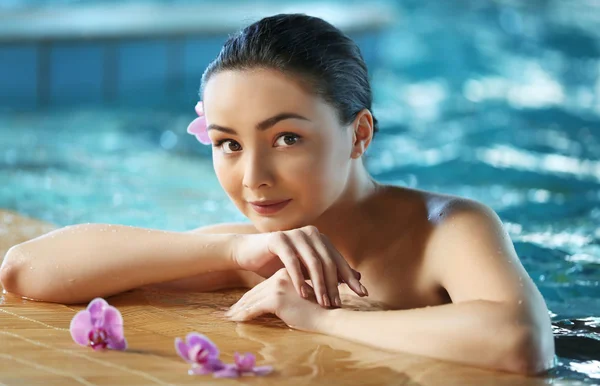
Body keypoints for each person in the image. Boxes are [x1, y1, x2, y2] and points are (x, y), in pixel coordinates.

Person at [0, 13, 555, 375]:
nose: (252, 178)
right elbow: (25, 270)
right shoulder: (257, 251)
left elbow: (521, 342)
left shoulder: (447, 228)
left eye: (286, 137)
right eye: (228, 144)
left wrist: (319, 321)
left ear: (358, 133)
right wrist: (230, 252)